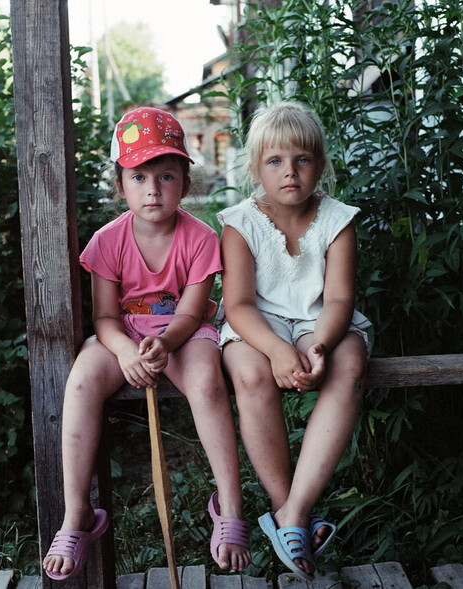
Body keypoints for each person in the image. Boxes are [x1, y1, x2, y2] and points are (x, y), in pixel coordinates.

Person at [42, 107, 251, 580]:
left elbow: (191, 311)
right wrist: (123, 351)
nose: (153, 189)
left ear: (185, 182)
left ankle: (231, 507)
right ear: (121, 186)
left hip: (183, 332)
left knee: (206, 381)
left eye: (166, 176)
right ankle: (77, 513)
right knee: (81, 382)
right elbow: (106, 317)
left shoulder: (200, 239)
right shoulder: (107, 241)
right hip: (125, 336)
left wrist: (164, 344)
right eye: (139, 177)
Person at [218, 101, 371, 581]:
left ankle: (295, 509)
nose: (290, 172)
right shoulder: (239, 223)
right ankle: (290, 511)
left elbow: (340, 299)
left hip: (318, 321)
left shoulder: (336, 219)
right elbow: (239, 305)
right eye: (276, 161)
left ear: (320, 165)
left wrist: (318, 346)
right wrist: (279, 350)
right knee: (249, 371)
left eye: (303, 160)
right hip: (258, 324)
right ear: (254, 170)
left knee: (350, 360)